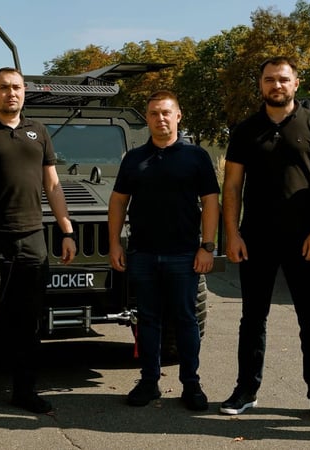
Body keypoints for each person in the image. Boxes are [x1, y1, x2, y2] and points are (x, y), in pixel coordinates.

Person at [221, 56, 310, 424]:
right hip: (255, 239)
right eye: (270, 79)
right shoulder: (245, 130)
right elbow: (232, 186)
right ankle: (246, 389)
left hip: (306, 240)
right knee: (252, 319)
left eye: (283, 79)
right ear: (261, 84)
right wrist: (232, 234)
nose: (277, 85)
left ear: (296, 83)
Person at [0, 67, 76, 422]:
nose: (11, 93)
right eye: (4, 87)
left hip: (32, 239)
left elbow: (52, 185)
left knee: (29, 320)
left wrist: (66, 231)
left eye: (17, 87)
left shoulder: (39, 131)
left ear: (25, 92)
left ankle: (25, 389)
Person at [108, 90, 220, 410]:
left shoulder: (196, 156)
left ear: (178, 116)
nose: (160, 118)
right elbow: (118, 202)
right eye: (154, 113)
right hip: (143, 254)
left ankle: (191, 384)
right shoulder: (134, 159)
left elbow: (211, 202)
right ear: (147, 118)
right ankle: (149, 382)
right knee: (148, 320)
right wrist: (114, 243)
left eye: (166, 112)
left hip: (184, 254)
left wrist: (207, 246)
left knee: (185, 319)